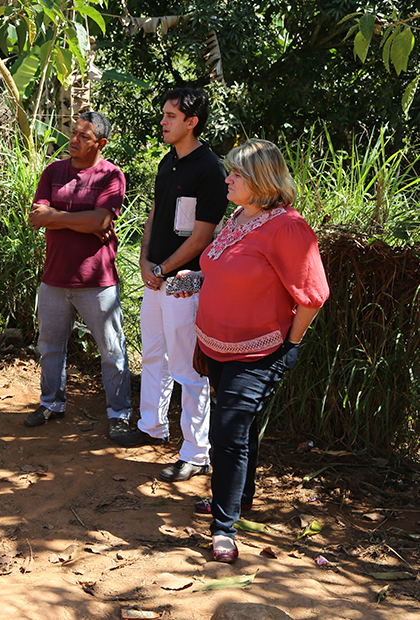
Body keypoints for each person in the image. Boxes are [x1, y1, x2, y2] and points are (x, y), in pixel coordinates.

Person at [194, 139, 329, 561]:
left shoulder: (287, 227)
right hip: (216, 347)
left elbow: (312, 296)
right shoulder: (239, 216)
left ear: (261, 181)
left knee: (227, 435)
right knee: (242, 430)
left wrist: (290, 347)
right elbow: (231, 273)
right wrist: (193, 284)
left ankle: (223, 528)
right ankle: (238, 499)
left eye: (236, 173)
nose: (228, 178)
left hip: (257, 353)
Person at [114, 88, 228, 485]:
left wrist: (162, 268)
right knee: (153, 355)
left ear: (192, 122)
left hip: (186, 282)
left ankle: (196, 453)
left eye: (171, 116)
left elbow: (201, 238)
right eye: (163, 114)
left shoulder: (210, 169)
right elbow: (156, 213)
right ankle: (151, 426)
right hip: (156, 277)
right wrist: (145, 259)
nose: (163, 121)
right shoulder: (169, 162)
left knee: (187, 367)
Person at [25, 111, 132, 439]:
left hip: (96, 282)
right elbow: (36, 218)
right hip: (54, 278)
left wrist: (59, 216)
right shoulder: (54, 171)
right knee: (50, 346)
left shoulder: (111, 176)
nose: (73, 140)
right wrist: (81, 220)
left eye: (83, 137)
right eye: (73, 133)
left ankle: (119, 413)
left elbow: (99, 223)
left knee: (112, 350)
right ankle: (51, 402)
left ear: (99, 143)